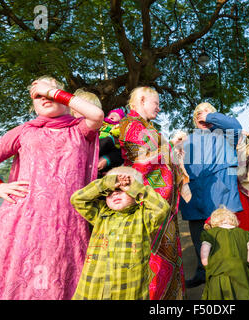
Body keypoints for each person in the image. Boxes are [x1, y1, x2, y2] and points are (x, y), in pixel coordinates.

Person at [0, 76, 104, 299]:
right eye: (37, 94)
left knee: (60, 282)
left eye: (50, 92)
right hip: (20, 225)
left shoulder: (80, 130)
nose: (44, 96)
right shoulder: (24, 131)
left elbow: (97, 114)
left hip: (67, 227)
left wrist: (49, 90)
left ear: (64, 98)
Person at [118, 86, 185, 300]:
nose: (158, 107)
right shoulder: (132, 125)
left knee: (164, 258)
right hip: (148, 204)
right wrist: (171, 145)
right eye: (155, 102)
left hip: (161, 205)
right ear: (142, 99)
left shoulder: (147, 126)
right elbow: (142, 163)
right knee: (152, 260)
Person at [70, 166, 169, 300]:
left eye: (121, 190)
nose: (115, 194)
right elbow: (77, 199)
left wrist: (134, 187)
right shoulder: (101, 215)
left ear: (135, 195)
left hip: (128, 292)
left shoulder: (143, 218)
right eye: (109, 192)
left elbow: (162, 209)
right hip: (93, 289)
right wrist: (107, 183)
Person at [179, 102, 243, 288]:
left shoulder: (226, 135)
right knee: (199, 240)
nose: (203, 116)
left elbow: (235, 125)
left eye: (207, 113)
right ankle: (202, 273)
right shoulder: (188, 140)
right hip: (195, 197)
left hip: (220, 195)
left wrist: (209, 117)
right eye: (199, 114)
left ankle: (229, 276)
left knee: (223, 239)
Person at [200, 206, 249, 300]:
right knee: (242, 293)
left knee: (218, 295)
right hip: (240, 271)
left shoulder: (211, 233)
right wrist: (246, 261)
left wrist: (206, 263)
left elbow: (204, 249)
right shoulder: (243, 233)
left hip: (217, 271)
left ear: (214, 221)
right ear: (233, 220)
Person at [97, 108, 126, 176]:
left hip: (108, 154)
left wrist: (108, 159)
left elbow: (121, 153)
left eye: (115, 115)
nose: (111, 116)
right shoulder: (100, 124)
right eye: (110, 115)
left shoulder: (118, 128)